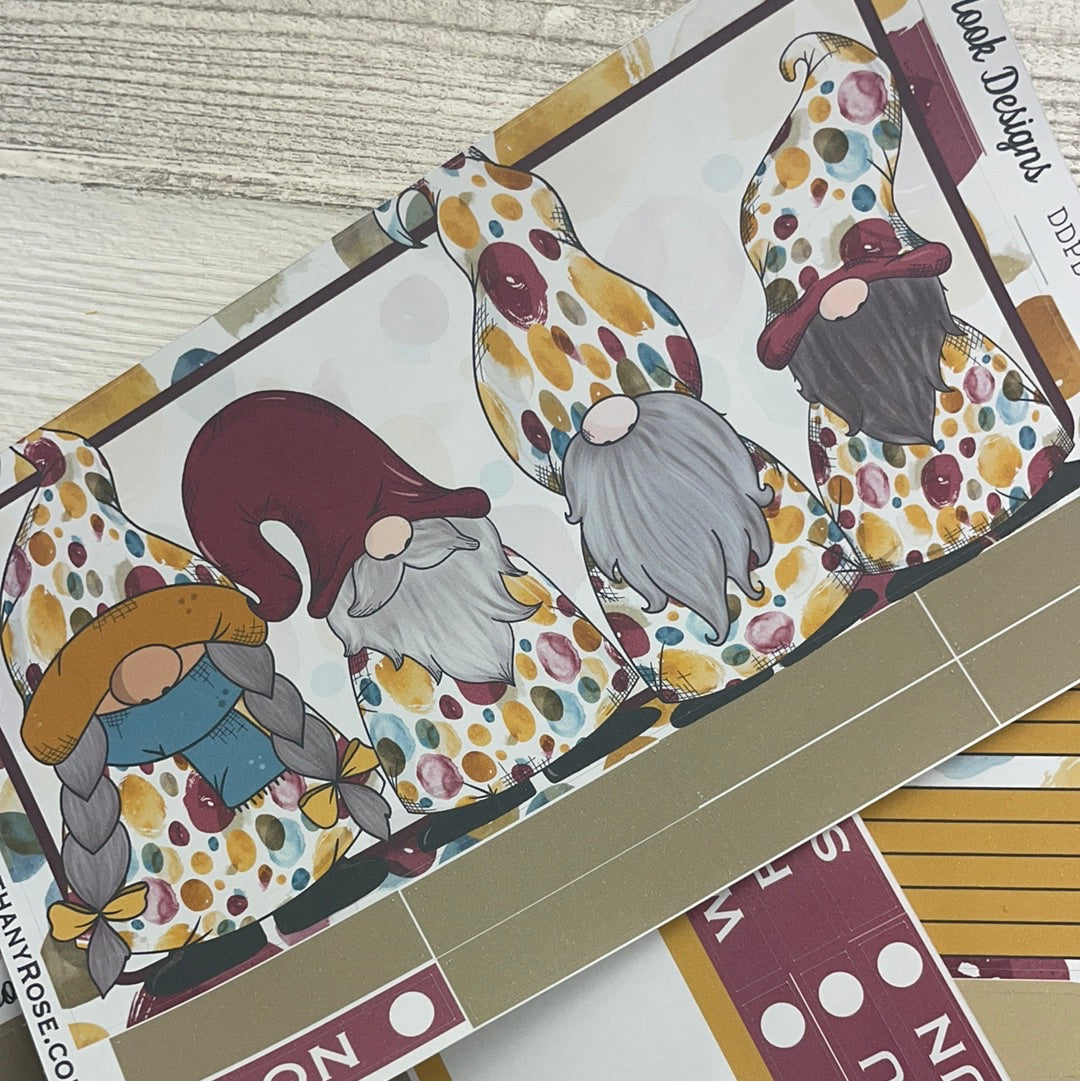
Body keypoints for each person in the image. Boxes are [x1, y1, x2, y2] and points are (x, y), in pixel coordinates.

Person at [377, 149, 872, 726]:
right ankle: (711, 667)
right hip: (625, 490)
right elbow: (531, 436)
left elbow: (666, 354)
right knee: (666, 568)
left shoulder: (594, 296)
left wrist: (641, 417)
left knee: (750, 526)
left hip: (682, 452)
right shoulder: (500, 350)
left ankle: (812, 605)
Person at [1, 431, 392, 999]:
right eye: (105, 673)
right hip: (173, 851)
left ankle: (312, 887)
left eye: (168, 640)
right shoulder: (105, 769)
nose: (147, 675)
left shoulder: (242, 689)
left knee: (296, 818)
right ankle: (213, 942)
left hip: (293, 826)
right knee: (176, 871)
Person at [182, 392, 657, 850]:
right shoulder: (379, 650)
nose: (391, 544)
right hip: (469, 780)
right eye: (361, 541)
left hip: (597, 731)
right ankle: (477, 792)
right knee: (417, 694)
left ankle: (582, 733)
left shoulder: (485, 569)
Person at [741, 32, 1076, 581]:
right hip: (932, 572)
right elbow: (876, 532)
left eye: (861, 282)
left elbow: (1029, 440)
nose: (845, 303)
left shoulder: (960, 357)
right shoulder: (836, 422)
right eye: (821, 303)